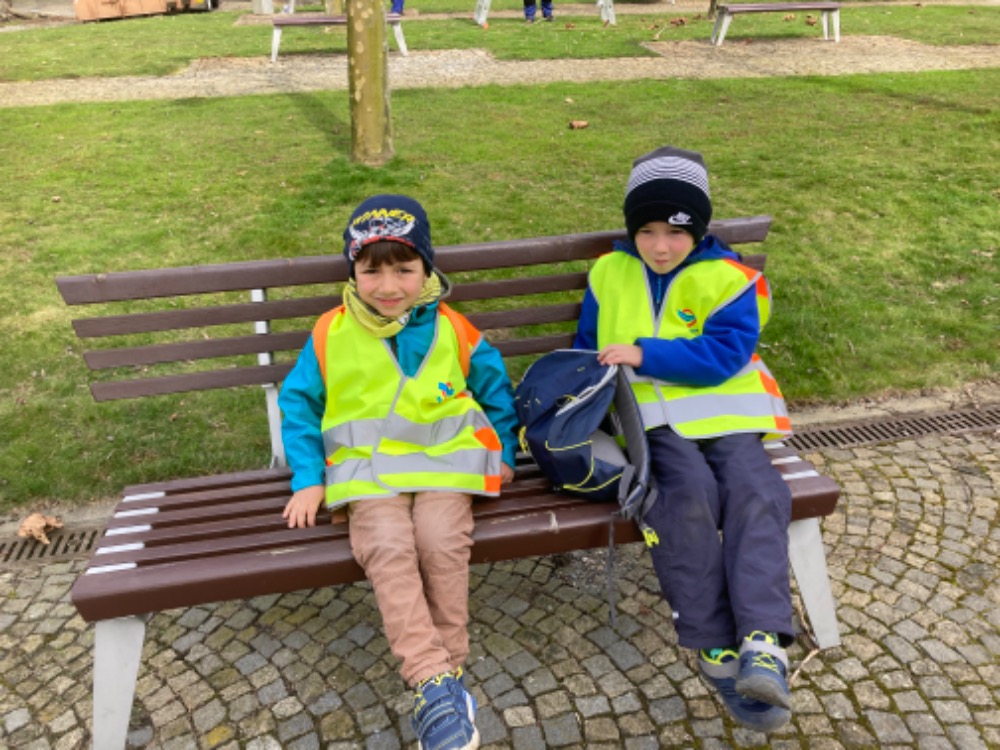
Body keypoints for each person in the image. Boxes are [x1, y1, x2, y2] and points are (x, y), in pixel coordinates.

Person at [279, 194, 518, 750]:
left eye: (404, 269)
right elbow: (299, 406)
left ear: (427, 269)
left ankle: (444, 679)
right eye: (371, 271)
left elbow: (495, 388)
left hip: (446, 469)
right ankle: (434, 681)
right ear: (352, 272)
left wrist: (504, 449)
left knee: (440, 542)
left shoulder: (454, 327)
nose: (388, 286)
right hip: (367, 477)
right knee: (387, 547)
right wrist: (308, 478)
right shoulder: (330, 331)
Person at [573, 146, 796, 733]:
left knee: (757, 492)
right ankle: (713, 642)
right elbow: (587, 346)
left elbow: (726, 354)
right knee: (685, 495)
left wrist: (644, 354)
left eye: (676, 232)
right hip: (650, 419)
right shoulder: (608, 272)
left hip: (730, 416)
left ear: (698, 229)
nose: (660, 246)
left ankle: (763, 642)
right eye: (646, 231)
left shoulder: (733, 280)